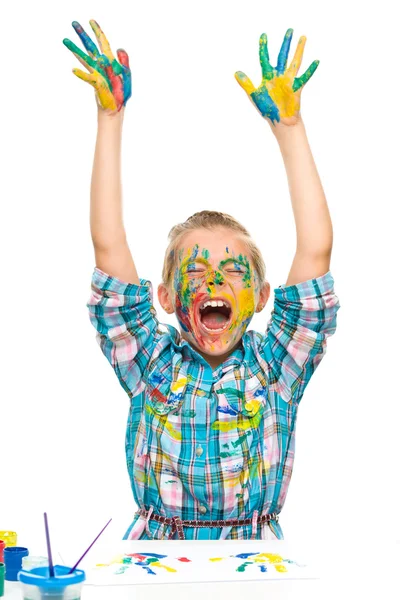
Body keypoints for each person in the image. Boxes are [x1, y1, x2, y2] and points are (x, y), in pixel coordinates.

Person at [64, 21, 340, 540]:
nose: (214, 281)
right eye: (194, 271)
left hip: (252, 567)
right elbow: (109, 250)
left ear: (260, 298)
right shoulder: (151, 362)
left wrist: (291, 129)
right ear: (166, 297)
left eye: (234, 272)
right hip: (158, 565)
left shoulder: (276, 366)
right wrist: (109, 119)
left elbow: (316, 252)